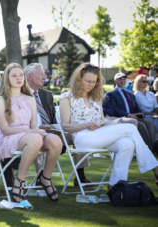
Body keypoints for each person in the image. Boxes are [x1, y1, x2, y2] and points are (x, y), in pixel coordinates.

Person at [59, 62, 158, 190]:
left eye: (94, 82)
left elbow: (101, 120)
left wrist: (109, 123)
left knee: (128, 144)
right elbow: (65, 126)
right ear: (79, 79)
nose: (91, 84)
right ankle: (155, 168)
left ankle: (115, 186)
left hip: (101, 135)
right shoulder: (67, 98)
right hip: (82, 138)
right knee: (130, 128)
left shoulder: (96, 98)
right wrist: (87, 125)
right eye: (87, 81)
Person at [0, 63, 62, 203]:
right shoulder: (1, 99)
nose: (18, 78)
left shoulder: (30, 99)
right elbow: (5, 129)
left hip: (31, 135)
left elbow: (34, 124)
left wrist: (37, 130)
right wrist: (32, 131)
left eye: (21, 75)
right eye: (14, 75)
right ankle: (20, 179)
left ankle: (45, 177)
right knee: (35, 138)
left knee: (55, 140)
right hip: (9, 137)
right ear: (7, 78)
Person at [24, 63, 95, 188]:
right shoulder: (20, 95)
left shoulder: (46, 95)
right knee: (39, 139)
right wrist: (37, 128)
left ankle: (80, 177)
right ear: (29, 77)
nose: (44, 78)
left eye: (44, 75)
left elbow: (52, 117)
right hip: (32, 133)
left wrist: (54, 127)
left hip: (52, 130)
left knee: (78, 134)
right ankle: (41, 177)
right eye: (40, 75)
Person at [105, 72, 158, 153]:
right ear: (115, 81)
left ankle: (155, 144)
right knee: (142, 125)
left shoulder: (130, 93)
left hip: (135, 117)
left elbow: (137, 107)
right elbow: (115, 110)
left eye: (124, 79)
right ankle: (148, 148)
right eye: (120, 80)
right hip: (123, 118)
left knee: (149, 123)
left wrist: (140, 114)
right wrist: (129, 115)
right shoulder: (111, 94)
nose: (122, 81)